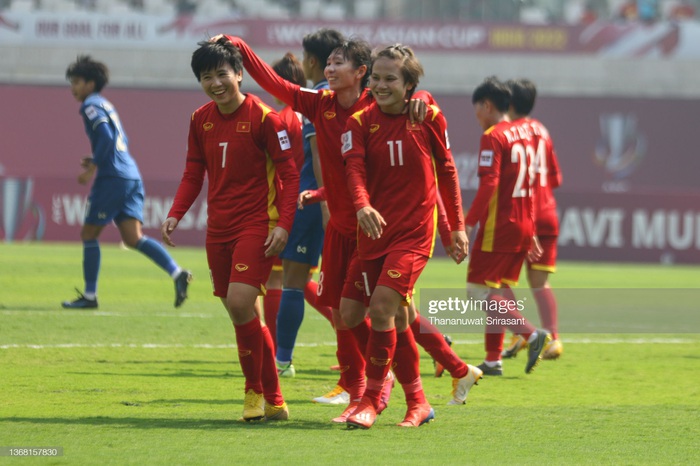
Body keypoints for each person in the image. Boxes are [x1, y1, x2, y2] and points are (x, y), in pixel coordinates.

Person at [341, 44, 481, 429]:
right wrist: (363, 205)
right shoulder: (358, 123)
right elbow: (353, 170)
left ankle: (372, 399)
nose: (381, 85)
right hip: (372, 230)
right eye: (377, 78)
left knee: (384, 308)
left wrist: (456, 227)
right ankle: (421, 399)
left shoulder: (428, 116)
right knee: (356, 313)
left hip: (413, 233)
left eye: (391, 79)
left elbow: (448, 171)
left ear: (409, 85)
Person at [161, 38, 300, 422]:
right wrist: (176, 212)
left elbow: (289, 174)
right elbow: (194, 171)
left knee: (242, 304)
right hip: (217, 229)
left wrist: (284, 225)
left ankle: (253, 391)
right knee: (242, 316)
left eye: (222, 74)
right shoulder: (199, 119)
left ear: (239, 74)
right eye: (207, 77)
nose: (216, 83)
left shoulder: (265, 117)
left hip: (258, 223)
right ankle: (273, 398)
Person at [62, 55, 191, 310]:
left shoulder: (90, 105)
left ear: (89, 83)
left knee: (89, 234)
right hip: (131, 174)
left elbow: (107, 138)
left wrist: (95, 167)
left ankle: (90, 296)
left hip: (113, 178)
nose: (73, 88)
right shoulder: (106, 104)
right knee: (133, 238)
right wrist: (98, 157)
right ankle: (177, 273)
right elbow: (122, 140)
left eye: (76, 82)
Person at [465, 76, 550, 376]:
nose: (476, 117)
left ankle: (531, 334)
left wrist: (467, 222)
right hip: (522, 223)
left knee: (477, 292)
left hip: (498, 227)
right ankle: (492, 360)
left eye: (477, 110)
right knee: (496, 291)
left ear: (487, 105)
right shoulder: (524, 134)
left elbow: (489, 183)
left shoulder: (493, 136)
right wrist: (531, 228)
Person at [501, 78, 563, 361]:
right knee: (540, 283)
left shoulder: (509, 133)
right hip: (548, 213)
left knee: (497, 280)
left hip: (522, 215)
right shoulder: (543, 130)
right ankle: (553, 339)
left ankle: (519, 332)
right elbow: (555, 178)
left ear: (509, 102)